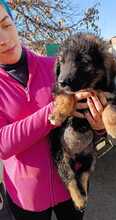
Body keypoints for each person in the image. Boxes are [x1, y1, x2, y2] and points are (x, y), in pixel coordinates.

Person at [0, 1, 107, 220]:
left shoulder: (56, 68)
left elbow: (87, 117)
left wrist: (99, 127)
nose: (3, 39)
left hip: (72, 185)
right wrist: (56, 111)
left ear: (14, 22)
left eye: (5, 24)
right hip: (27, 195)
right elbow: (3, 144)